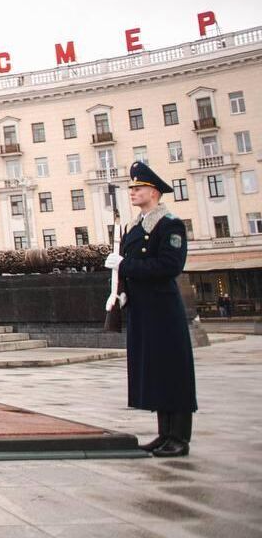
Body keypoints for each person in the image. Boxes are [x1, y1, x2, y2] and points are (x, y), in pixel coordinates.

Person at [104, 161, 197, 458]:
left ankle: (179, 437)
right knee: (156, 371)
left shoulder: (169, 224)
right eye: (131, 188)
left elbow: (169, 266)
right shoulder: (133, 227)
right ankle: (164, 434)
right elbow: (129, 268)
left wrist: (125, 265)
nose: (132, 192)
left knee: (173, 371)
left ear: (154, 192)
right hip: (142, 309)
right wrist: (120, 293)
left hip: (163, 308)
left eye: (138, 188)